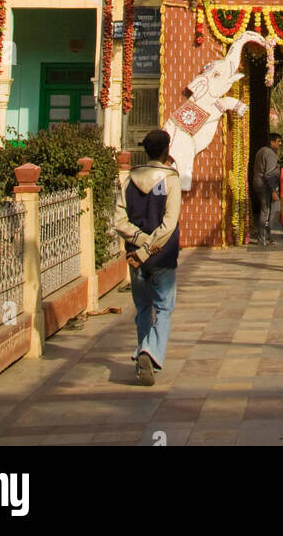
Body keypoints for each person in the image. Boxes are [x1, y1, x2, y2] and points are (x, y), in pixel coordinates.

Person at [113, 128, 181, 385]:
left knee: (143, 308)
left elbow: (120, 221)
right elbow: (169, 223)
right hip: (162, 255)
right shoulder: (170, 179)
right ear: (166, 151)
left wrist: (139, 242)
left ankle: (144, 362)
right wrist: (148, 247)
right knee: (164, 308)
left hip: (134, 255)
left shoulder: (129, 179)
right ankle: (149, 352)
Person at [251, 133, 282, 246]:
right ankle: (263, 238)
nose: (280, 144)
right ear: (272, 142)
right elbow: (269, 174)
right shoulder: (270, 154)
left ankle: (267, 237)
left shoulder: (261, 151)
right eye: (278, 141)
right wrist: (274, 190)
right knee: (267, 211)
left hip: (258, 183)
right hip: (266, 186)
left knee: (267, 210)